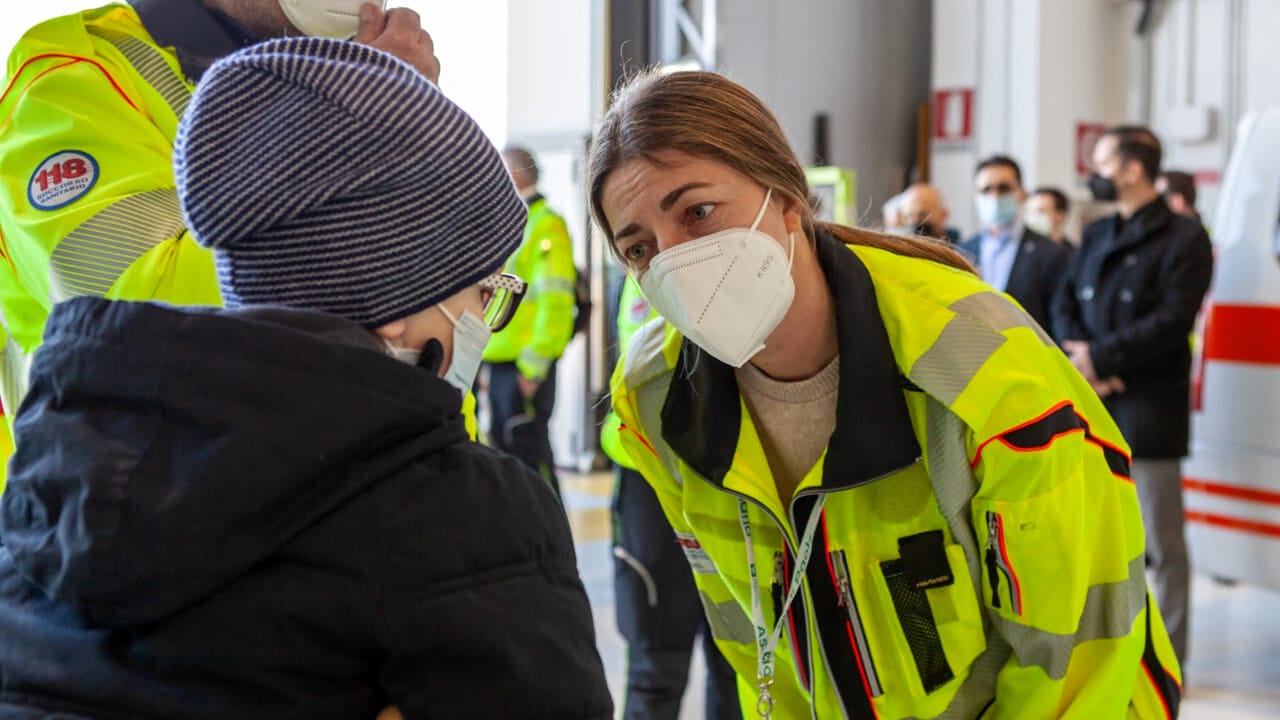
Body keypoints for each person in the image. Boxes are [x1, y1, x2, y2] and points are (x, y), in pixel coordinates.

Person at [0, 37, 612, 720]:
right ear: (397, 302)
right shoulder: (461, 517)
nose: (484, 319)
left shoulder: (55, 483)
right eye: (482, 290)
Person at [590, 69, 1181, 719]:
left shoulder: (982, 369)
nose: (673, 261)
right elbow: (761, 645)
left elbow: (1074, 665)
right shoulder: (660, 403)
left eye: (697, 213)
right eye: (639, 248)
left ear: (787, 199)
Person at [0, 0, 439, 491]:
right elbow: (142, 319)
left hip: (394, 512)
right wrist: (361, 126)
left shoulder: (338, 71)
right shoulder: (73, 79)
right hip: (170, 534)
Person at [1053, 126, 1214, 668]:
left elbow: (1172, 320)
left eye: (1101, 163)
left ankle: (1168, 663)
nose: (1093, 174)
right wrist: (1082, 362)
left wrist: (1102, 361)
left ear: (1131, 169)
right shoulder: (1097, 234)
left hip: (1148, 408)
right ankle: (1108, 659)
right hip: (1091, 405)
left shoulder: (1184, 238)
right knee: (1096, 541)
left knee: (1161, 545)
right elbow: (1065, 302)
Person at [600, 277, 740, 720]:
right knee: (654, 660)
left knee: (742, 664)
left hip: (738, 474)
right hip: (649, 474)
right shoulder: (641, 264)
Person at [482, 146, 579, 497]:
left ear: (513, 176)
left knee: (531, 461)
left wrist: (533, 369)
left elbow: (556, 303)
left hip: (525, 365)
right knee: (506, 459)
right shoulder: (512, 223)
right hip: (501, 363)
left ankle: (550, 546)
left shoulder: (545, 224)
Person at [959, 155, 1072, 331]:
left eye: (1003, 188)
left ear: (1022, 193)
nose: (994, 196)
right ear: (975, 197)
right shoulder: (962, 251)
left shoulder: (1051, 253)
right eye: (986, 190)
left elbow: (1059, 318)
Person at [890, 182, 960, 242]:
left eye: (922, 215)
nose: (914, 221)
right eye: (909, 216)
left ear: (943, 215)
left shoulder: (963, 252)